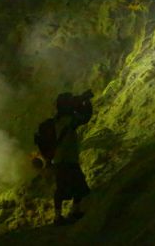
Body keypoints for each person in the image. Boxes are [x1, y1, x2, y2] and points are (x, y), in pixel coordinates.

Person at [52, 90, 93, 226]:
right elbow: (85, 117)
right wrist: (85, 102)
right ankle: (71, 213)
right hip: (67, 160)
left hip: (59, 160)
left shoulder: (56, 120)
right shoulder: (67, 120)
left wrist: (80, 102)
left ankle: (60, 215)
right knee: (79, 185)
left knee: (63, 188)